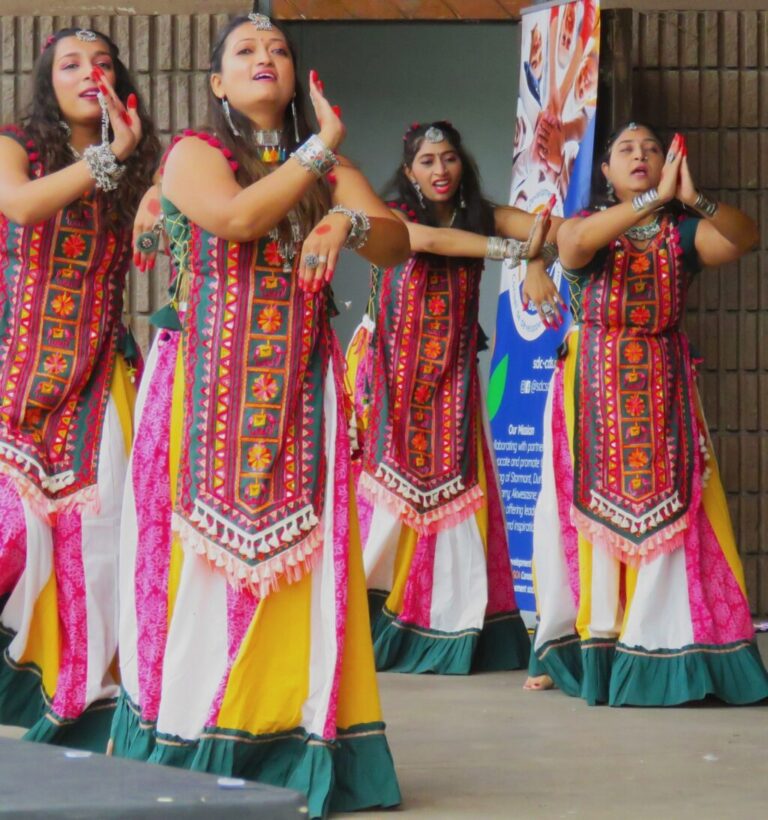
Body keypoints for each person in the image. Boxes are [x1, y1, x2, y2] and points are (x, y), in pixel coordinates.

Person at [109, 14, 408, 818]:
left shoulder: (324, 163)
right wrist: (320, 154)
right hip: (197, 399)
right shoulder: (193, 155)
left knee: (304, 576)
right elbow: (239, 220)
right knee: (193, 577)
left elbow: (395, 243)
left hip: (300, 399)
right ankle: (189, 742)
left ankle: (288, 737)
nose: (265, 58)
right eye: (245, 50)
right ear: (216, 82)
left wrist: (347, 216)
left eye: (278, 48)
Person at [525, 121, 768, 705]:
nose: (640, 155)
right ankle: (585, 648)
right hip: (590, 387)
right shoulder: (588, 226)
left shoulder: (682, 233)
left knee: (678, 514)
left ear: (668, 164)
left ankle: (665, 645)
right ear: (605, 172)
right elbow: (574, 248)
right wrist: (649, 202)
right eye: (625, 150)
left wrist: (694, 202)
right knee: (583, 520)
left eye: (652, 149)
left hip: (663, 387)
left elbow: (743, 238)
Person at [347, 120, 562, 675]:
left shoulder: (483, 214)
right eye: (427, 161)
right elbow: (429, 242)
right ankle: (363, 624)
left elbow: (550, 229)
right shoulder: (393, 216)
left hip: (452, 382)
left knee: (455, 501)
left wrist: (535, 255)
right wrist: (518, 252)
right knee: (383, 500)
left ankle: (447, 626)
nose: (439, 170)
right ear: (408, 170)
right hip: (390, 377)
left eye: (448, 159)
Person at [0, 27, 158, 749]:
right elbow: (24, 206)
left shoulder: (143, 162)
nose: (89, 73)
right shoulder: (17, 146)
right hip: (15, 370)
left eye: (102, 63)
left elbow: (159, 246)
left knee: (96, 542)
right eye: (71, 64)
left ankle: (84, 697)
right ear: (46, 82)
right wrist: (113, 156)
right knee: (12, 537)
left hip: (97, 378)